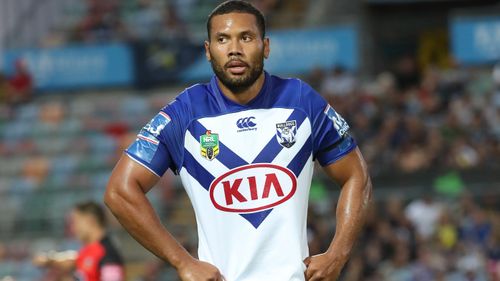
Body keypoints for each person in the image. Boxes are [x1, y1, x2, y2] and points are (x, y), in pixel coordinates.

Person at [105, 1, 372, 280]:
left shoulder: (302, 101)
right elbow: (120, 191)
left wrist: (338, 253)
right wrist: (181, 260)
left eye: (246, 37)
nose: (234, 49)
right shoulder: (184, 113)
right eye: (222, 39)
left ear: (265, 46)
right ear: (208, 51)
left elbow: (357, 175)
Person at [33, 201, 125, 281]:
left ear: (90, 220)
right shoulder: (88, 251)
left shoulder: (108, 253)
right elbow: (73, 259)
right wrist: (50, 261)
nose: (73, 228)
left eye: (75, 222)